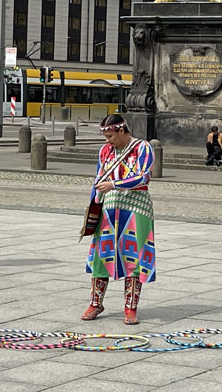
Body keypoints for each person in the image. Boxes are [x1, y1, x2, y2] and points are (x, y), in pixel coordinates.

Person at [82, 114, 155, 325]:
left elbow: (144, 177)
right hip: (108, 208)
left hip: (136, 208)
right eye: (105, 136)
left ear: (122, 131)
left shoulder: (143, 148)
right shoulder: (105, 151)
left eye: (110, 135)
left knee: (134, 258)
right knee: (101, 257)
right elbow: (98, 178)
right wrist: (92, 209)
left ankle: (130, 308)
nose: (107, 140)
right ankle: (96, 303)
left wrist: (114, 185)